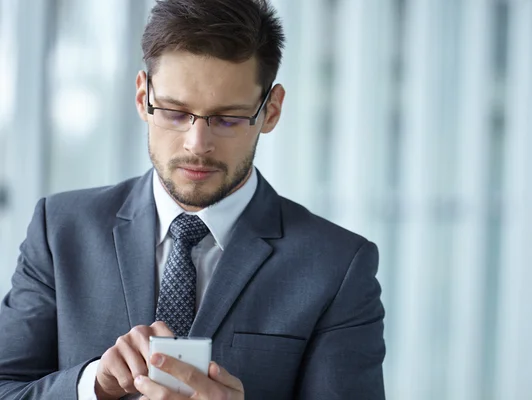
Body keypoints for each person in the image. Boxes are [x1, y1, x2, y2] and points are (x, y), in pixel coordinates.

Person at [0, 0, 386, 399]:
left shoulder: (338, 267)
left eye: (228, 119)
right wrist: (91, 383)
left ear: (270, 111)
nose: (197, 144)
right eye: (174, 112)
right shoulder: (60, 230)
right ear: (141, 97)